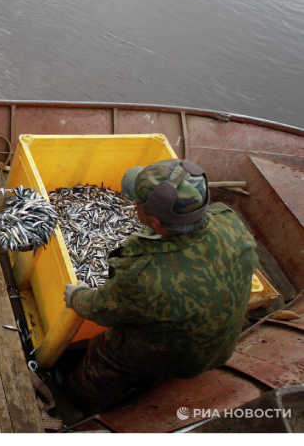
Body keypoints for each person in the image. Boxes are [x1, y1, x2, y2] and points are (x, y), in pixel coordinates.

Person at [61, 159, 258, 412]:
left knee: (104, 352)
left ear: (155, 222)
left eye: (137, 201)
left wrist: (77, 296)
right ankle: (147, 383)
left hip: (178, 358)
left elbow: (103, 310)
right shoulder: (231, 223)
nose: (133, 203)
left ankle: (77, 401)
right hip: (221, 347)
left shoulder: (146, 275)